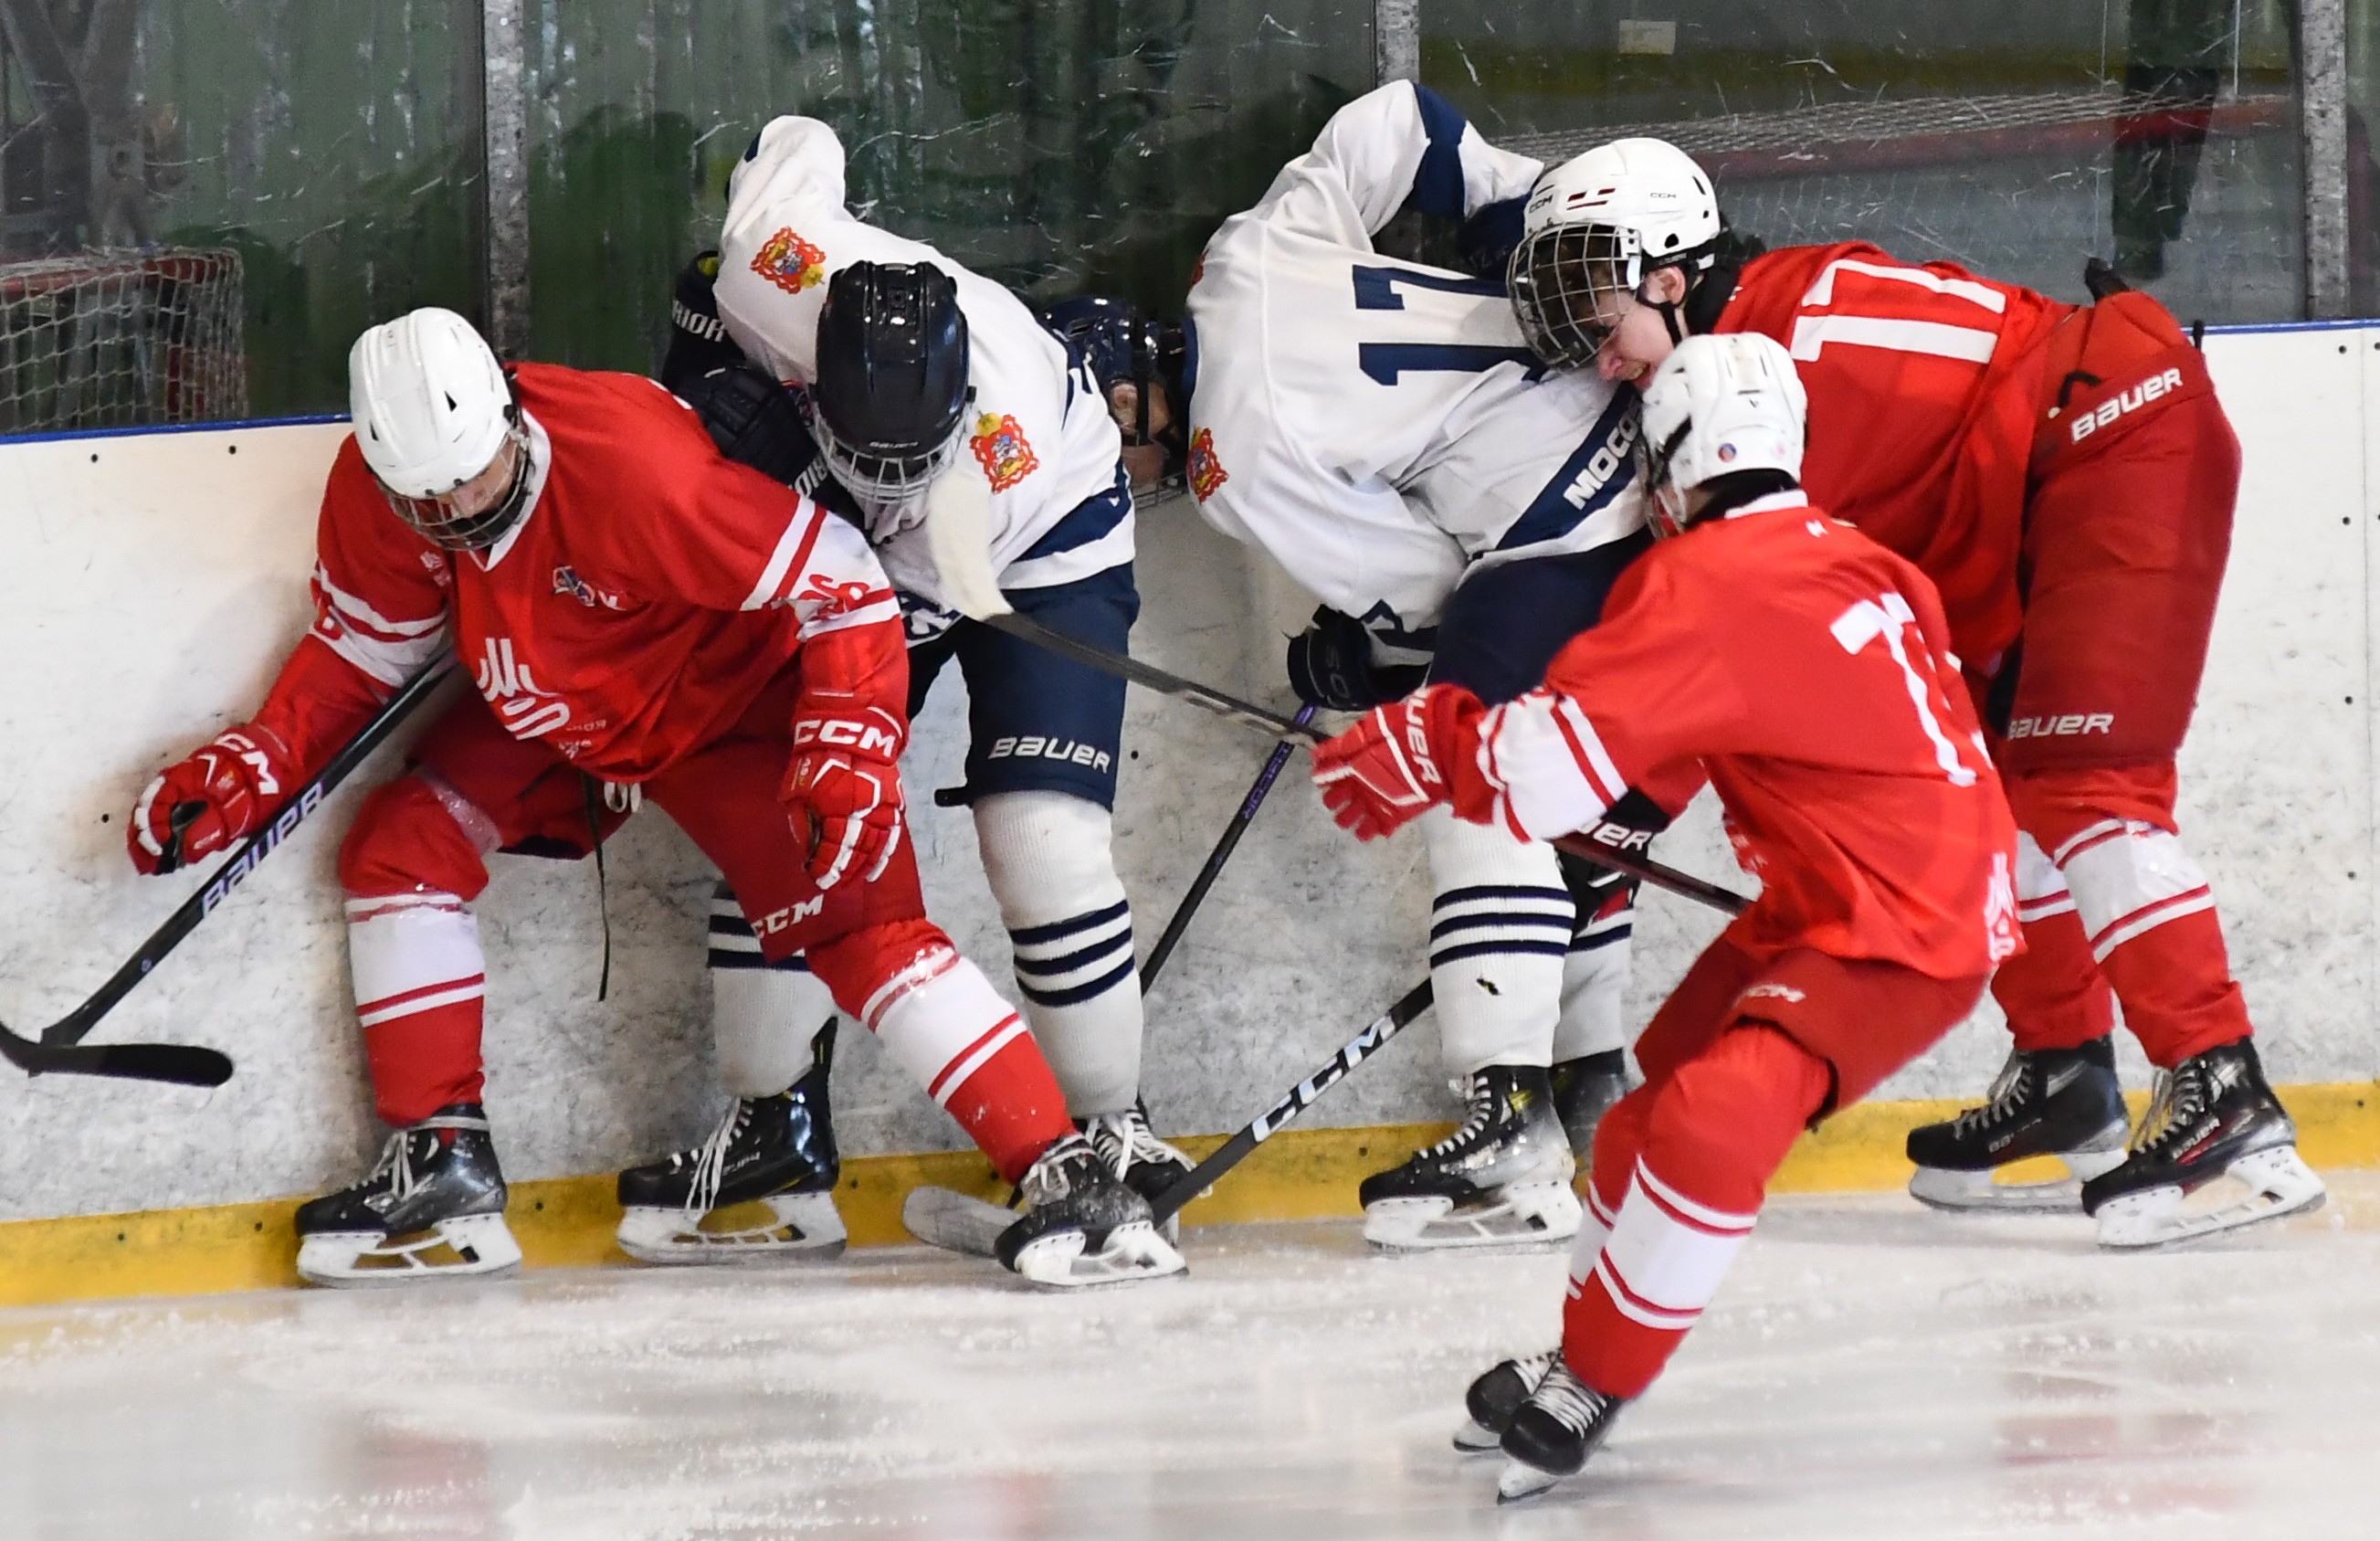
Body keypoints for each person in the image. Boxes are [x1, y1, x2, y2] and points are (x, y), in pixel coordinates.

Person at [124, 306, 1180, 1290]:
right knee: (401, 849)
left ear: (507, 409)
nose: (450, 512)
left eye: (471, 481)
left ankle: (1064, 1173)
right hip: (551, 704)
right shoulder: (379, 490)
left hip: (728, 710)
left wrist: (844, 739)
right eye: (424, 498)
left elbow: (844, 578)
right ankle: (438, 1159)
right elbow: (363, 648)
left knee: (862, 931)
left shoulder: (635, 469)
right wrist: (259, 761)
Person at [1501, 135, 2323, 1246]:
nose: (1597, 360)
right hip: (2015, 500)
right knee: (2000, 791)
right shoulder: (1743, 339)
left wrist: (1618, 802)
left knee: (2088, 784)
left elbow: (1736, 650)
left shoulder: (1755, 375)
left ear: (1666, 272)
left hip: (2106, 430)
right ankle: (2065, 1070)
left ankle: (2219, 1082)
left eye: (1599, 322)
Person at [1313, 332, 2019, 1499]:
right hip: (1862, 890)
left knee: (1710, 1123)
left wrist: (1425, 744)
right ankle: (1582, 1353)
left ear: (1669, 466)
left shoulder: (1699, 578)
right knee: (1645, 1118)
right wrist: (1616, 812)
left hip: (1894, 922)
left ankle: (1595, 1376)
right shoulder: (1852, 558)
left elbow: (1541, 775)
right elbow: (1735, 718)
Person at [1066, 80, 1656, 1251]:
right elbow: (1404, 125)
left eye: (1104, 455)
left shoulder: (1234, 466)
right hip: (1621, 420)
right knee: (1561, 799)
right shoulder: (1237, 261)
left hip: (1568, 516)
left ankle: (1514, 1126)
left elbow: (1426, 592)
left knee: (1465, 765)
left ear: (1134, 401)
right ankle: (1591, 1086)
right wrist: (1514, 215)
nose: (1119, 487)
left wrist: (1360, 653)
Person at [680, 117, 1202, 1234]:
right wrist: (707, 364)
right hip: (877, 548)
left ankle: (1115, 1125)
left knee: (1039, 842)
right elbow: (792, 144)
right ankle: (774, 1126)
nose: (887, 483)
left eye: (906, 463)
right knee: (782, 824)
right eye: (864, 456)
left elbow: (871, 621)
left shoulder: (997, 463)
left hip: (1043, 544)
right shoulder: (775, 270)